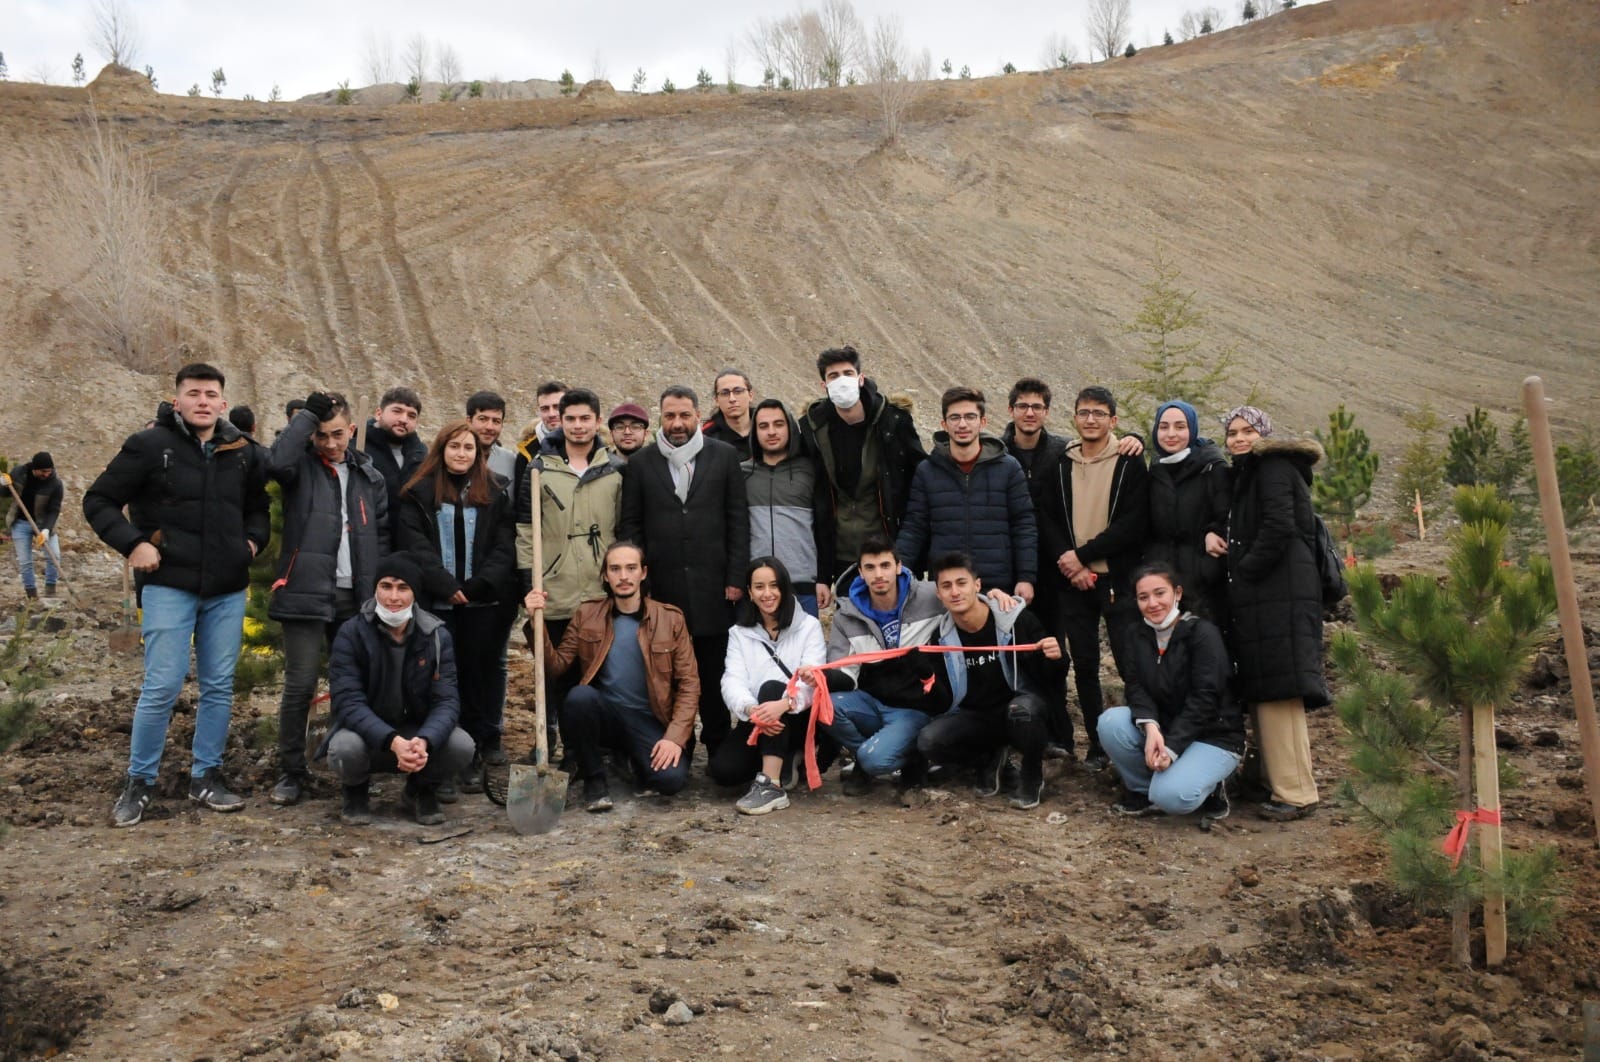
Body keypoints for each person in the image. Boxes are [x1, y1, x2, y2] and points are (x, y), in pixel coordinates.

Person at [84, 363, 271, 827]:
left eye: (211, 394)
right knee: (163, 685)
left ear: (223, 403)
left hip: (227, 588)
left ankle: (206, 774)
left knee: (218, 687)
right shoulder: (149, 446)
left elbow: (258, 507)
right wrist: (134, 543)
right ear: (177, 401)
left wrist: (252, 542)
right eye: (194, 394)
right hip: (169, 582)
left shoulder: (241, 452)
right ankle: (140, 780)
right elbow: (98, 500)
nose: (203, 401)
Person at [264, 391, 390, 806]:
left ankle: (346, 766)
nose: (331, 443)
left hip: (355, 598)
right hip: (304, 590)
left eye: (338, 434)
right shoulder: (300, 468)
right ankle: (291, 772)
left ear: (352, 431)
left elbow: (383, 539)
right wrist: (306, 417)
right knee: (300, 685)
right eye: (321, 435)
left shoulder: (370, 477)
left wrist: (378, 592)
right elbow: (275, 461)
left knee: (350, 687)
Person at [618, 385, 749, 759]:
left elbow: (737, 522)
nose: (677, 424)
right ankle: (680, 747)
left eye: (685, 415)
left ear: (697, 416)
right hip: (662, 590)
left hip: (715, 590)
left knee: (712, 670)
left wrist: (736, 579)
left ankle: (719, 743)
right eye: (670, 416)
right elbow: (632, 528)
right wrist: (640, 586)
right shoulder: (641, 464)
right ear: (661, 417)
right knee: (669, 674)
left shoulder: (723, 457)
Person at [1211, 405, 1328, 821]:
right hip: (1268, 599)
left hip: (1280, 596)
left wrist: (1244, 568)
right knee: (1265, 689)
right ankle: (1270, 781)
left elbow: (1280, 526)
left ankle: (1296, 793)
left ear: (1264, 434)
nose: (1239, 439)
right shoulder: (1253, 472)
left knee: (1280, 693)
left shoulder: (1273, 468)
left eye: (1247, 431)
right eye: (1232, 433)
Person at [524, 541, 699, 812]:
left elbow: (689, 685)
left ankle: (629, 758)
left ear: (643, 572)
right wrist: (537, 623)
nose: (624, 576)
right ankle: (595, 779)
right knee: (579, 697)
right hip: (608, 716)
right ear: (605, 575)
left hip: (650, 719)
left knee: (670, 781)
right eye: (615, 569)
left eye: (631, 568)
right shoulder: (587, 614)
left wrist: (674, 738)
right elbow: (555, 667)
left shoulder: (670, 619)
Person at [397, 420, 517, 792]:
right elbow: (415, 544)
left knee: (477, 678)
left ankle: (474, 755)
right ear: (441, 449)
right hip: (438, 604)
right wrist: (445, 585)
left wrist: (480, 584)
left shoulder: (496, 491)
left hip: (482, 602)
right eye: (455, 447)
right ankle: (439, 759)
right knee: (438, 680)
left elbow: (504, 544)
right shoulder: (418, 493)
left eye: (469, 448)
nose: (462, 454)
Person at [1036, 386, 1150, 771]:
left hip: (1116, 581)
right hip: (1074, 583)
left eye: (1099, 413)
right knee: (1084, 665)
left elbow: (1132, 524)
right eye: (1084, 412)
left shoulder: (1129, 461)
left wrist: (1081, 557)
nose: (1090, 419)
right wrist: (1070, 565)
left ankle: (1136, 742)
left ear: (1113, 421)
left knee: (1129, 662)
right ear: (1074, 417)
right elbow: (1048, 519)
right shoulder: (1061, 462)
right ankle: (1098, 746)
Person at [325, 552, 475, 826]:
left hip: (416, 735)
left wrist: (425, 740)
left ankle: (420, 788)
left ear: (414, 594)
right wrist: (393, 741)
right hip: (366, 735)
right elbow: (347, 702)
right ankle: (356, 791)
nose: (393, 597)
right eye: (386, 586)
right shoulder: (351, 633)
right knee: (344, 748)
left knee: (461, 745)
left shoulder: (437, 635)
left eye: (403, 588)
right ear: (376, 590)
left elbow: (447, 701)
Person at [516, 388, 626, 754]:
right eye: (570, 419)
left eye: (585, 418)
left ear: (598, 421)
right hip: (556, 592)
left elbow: (625, 532)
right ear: (559, 422)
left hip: (601, 595)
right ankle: (566, 754)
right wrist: (528, 583)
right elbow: (525, 532)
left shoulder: (615, 471)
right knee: (559, 681)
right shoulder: (539, 470)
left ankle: (600, 753)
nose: (578, 426)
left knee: (602, 679)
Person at [1097, 562, 1243, 825]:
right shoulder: (1135, 635)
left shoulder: (1202, 634)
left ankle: (1212, 786)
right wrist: (1151, 728)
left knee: (1174, 797)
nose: (1152, 603)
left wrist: (1172, 748)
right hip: (1165, 728)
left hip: (1212, 736)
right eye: (1143, 597)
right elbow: (1136, 687)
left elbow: (1205, 699)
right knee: (1110, 722)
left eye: (1159, 593)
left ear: (1177, 593)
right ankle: (1144, 790)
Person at [916, 553, 1064, 809]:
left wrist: (1056, 658)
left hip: (1021, 709)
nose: (955, 592)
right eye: (946, 586)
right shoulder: (941, 636)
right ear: (938, 594)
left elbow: (1051, 677)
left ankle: (1031, 775)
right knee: (930, 740)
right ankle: (989, 758)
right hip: (977, 717)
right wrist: (925, 676)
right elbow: (941, 700)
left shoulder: (1014, 619)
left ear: (977, 585)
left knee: (1023, 709)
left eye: (962, 583)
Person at [816, 537, 951, 792]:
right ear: (861, 572)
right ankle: (869, 756)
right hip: (873, 702)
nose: (879, 574)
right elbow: (843, 671)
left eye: (885, 565)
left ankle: (905, 757)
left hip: (916, 708)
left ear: (899, 566)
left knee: (874, 760)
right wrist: (820, 678)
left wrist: (997, 597)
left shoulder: (929, 595)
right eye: (870, 567)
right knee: (824, 704)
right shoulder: (847, 614)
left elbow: (966, 598)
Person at [798, 345, 925, 596]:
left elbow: (919, 473)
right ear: (824, 385)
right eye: (833, 376)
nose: (841, 380)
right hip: (843, 554)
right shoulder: (813, 428)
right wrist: (823, 573)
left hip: (888, 551)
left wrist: (909, 552)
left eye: (847, 373)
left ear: (861, 378)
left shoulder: (892, 421)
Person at [709, 556, 828, 814]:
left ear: (784, 588)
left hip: (798, 718)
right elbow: (732, 679)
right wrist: (751, 710)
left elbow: (812, 681)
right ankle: (782, 758)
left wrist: (785, 703)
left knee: (773, 687)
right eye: (759, 587)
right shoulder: (739, 633)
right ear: (750, 593)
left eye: (774, 586)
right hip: (759, 718)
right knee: (724, 771)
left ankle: (771, 786)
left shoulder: (809, 627)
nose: (768, 593)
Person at [896, 386, 1037, 602]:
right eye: (955, 417)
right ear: (944, 424)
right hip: (947, 583)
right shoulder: (927, 470)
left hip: (997, 584)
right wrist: (900, 570)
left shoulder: (1008, 468)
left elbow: (1024, 525)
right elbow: (915, 526)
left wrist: (1026, 577)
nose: (962, 424)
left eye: (970, 417)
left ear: (982, 422)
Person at [1001, 378, 1072, 756]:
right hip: (1008, 568)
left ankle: (1059, 734)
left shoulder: (1062, 451)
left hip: (1054, 570)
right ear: (1010, 410)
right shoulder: (996, 452)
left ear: (1046, 411)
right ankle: (1016, 730)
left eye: (1037, 407)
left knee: (1052, 650)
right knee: (1008, 651)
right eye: (1023, 406)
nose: (1030, 413)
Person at [1143, 400, 1230, 621]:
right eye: (1164, 427)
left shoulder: (1212, 467)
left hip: (1204, 588)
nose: (1171, 434)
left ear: (1192, 429)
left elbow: (1226, 514)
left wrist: (1212, 532)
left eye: (1180, 427)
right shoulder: (1156, 469)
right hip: (1164, 585)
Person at [744, 398, 830, 615]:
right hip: (757, 588)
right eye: (763, 426)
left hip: (802, 586)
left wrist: (823, 578)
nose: (771, 431)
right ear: (755, 432)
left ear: (790, 428)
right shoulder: (741, 474)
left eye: (778, 424)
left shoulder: (810, 471)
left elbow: (824, 527)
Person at [365, 387, 426, 542]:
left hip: (410, 547)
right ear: (379, 413)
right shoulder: (357, 449)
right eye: (397, 411)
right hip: (369, 543)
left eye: (411, 415)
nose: (404, 419)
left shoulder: (421, 455)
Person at [3, 452, 64, 600]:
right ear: (34, 469)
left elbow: (54, 510)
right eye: (43, 471)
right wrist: (3, 484)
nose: (47, 474)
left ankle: (50, 591)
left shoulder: (55, 484)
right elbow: (5, 493)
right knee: (25, 561)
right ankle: (31, 595)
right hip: (20, 523)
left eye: (49, 471)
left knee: (54, 556)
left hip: (43, 524)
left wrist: (46, 530)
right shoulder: (18, 473)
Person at [467, 390, 518, 510]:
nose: (489, 427)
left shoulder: (511, 461)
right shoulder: (452, 458)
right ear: (469, 421)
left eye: (496, 421)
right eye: (483, 419)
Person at [703, 368, 754, 449]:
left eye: (738, 391)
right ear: (716, 400)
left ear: (750, 395)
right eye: (724, 393)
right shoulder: (706, 438)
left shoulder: (768, 427)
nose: (732, 399)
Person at [535, 380, 567, 446]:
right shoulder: (528, 451)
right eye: (545, 408)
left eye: (557, 407)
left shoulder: (591, 444)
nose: (551, 414)